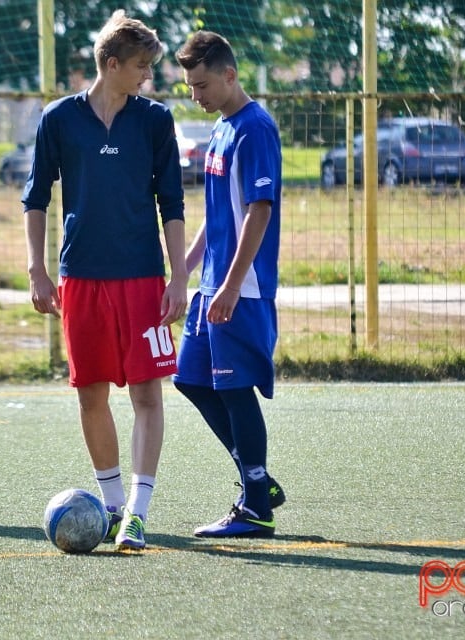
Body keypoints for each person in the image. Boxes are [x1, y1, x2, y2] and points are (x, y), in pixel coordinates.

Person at [23, 10, 187, 550]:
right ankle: (113, 506)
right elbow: (36, 198)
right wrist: (38, 269)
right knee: (90, 395)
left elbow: (173, 204)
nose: (148, 76)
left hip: (142, 278)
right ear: (111, 64)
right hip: (82, 280)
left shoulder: (155, 120)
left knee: (147, 394)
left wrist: (178, 276)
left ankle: (137, 514)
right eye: (141, 67)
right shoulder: (59, 119)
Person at [172, 31, 286, 538]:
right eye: (190, 87)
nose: (196, 96)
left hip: (243, 288)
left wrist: (234, 285)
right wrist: (185, 270)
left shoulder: (255, 128)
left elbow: (259, 212)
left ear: (229, 75)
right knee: (190, 379)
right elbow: (216, 214)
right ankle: (258, 482)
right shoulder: (220, 128)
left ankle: (256, 505)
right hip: (212, 284)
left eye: (201, 85)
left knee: (235, 389)